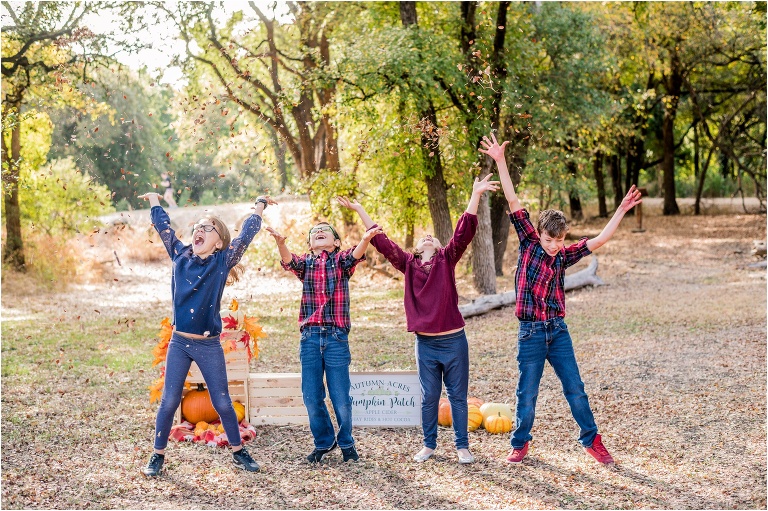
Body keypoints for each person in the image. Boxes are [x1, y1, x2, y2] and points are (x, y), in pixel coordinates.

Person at [479, 132, 643, 465]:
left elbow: (599, 240)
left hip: (558, 331)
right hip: (530, 333)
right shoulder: (528, 242)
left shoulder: (563, 256)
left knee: (576, 390)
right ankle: (520, 442)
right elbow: (512, 200)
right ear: (538, 234)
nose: (553, 245)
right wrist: (500, 161)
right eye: (549, 239)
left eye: (558, 240)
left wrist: (621, 210)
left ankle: (591, 439)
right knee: (527, 395)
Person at [338, 173, 500, 465]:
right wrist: (359, 209)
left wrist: (475, 195)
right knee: (428, 398)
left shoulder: (447, 258)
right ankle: (429, 445)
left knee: (458, 397)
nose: (427, 236)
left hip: (454, 341)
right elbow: (381, 240)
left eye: (432, 237)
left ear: (438, 246)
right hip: (425, 344)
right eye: (423, 236)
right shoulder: (408, 264)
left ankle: (462, 447)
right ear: (416, 248)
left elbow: (464, 232)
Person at [138, 191, 276, 476]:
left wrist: (259, 206)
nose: (198, 230)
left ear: (219, 241)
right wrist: (154, 201)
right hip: (179, 344)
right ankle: (157, 455)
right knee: (169, 401)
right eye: (197, 226)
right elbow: (163, 227)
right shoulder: (179, 254)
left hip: (209, 345)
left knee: (223, 402)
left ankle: (238, 451)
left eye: (207, 227)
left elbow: (247, 234)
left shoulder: (222, 261)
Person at [265, 218, 381, 463]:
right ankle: (324, 441)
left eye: (325, 231)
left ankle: (347, 442)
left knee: (341, 397)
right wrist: (280, 243)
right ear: (309, 243)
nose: (319, 231)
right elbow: (289, 261)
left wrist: (365, 239)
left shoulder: (341, 262)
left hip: (336, 337)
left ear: (336, 242)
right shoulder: (306, 264)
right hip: (309, 338)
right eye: (315, 231)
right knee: (311, 395)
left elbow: (355, 255)